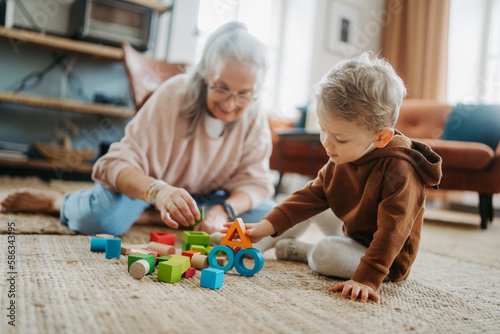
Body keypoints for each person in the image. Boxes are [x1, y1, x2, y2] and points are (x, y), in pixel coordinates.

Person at [0, 22, 276, 236]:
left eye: (244, 94)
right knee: (99, 220)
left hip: (203, 199)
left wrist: (223, 210)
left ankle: (156, 217)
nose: (231, 103)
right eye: (221, 88)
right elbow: (114, 165)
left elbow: (255, 184)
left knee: (273, 218)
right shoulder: (174, 95)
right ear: (205, 75)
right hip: (147, 189)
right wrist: (160, 193)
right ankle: (58, 203)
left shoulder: (254, 114)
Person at [227, 52, 442, 302]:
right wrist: (265, 226)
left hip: (386, 259)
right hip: (351, 232)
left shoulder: (401, 170)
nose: (327, 143)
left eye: (339, 138)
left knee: (325, 253)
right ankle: (258, 243)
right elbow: (311, 196)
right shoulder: (344, 154)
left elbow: (392, 231)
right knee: (309, 204)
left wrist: (367, 278)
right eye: (322, 129)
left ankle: (304, 251)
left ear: (381, 137)